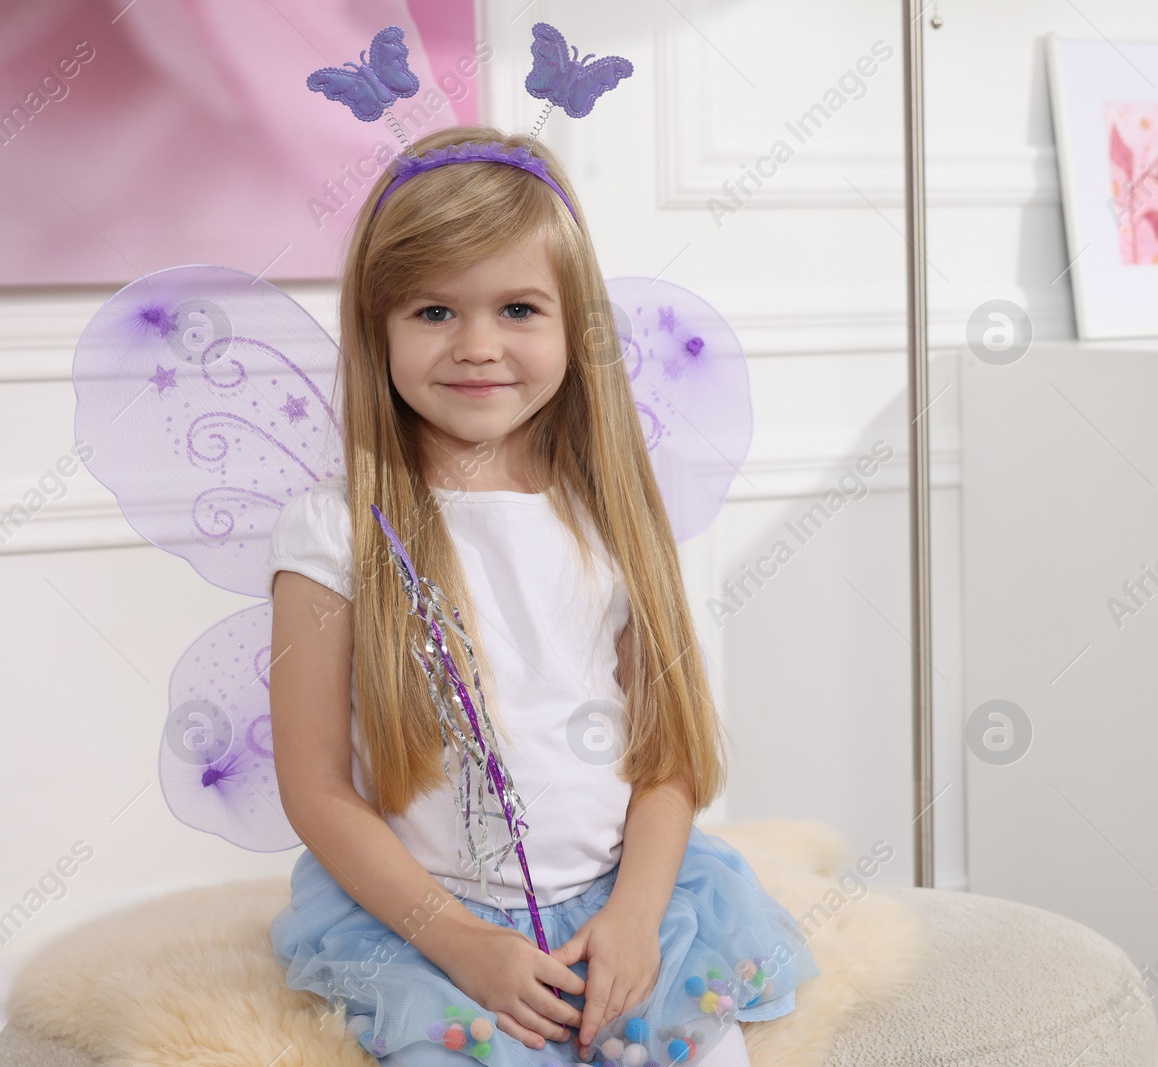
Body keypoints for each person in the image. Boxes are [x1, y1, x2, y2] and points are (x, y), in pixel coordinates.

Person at [265, 124, 818, 1067]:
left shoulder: (611, 518)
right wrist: (465, 945)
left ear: (574, 327)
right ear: (377, 330)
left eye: (518, 307)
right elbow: (315, 788)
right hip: (430, 927)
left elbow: (668, 752)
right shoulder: (337, 532)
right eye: (434, 312)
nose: (477, 346)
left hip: (626, 902)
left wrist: (637, 917)